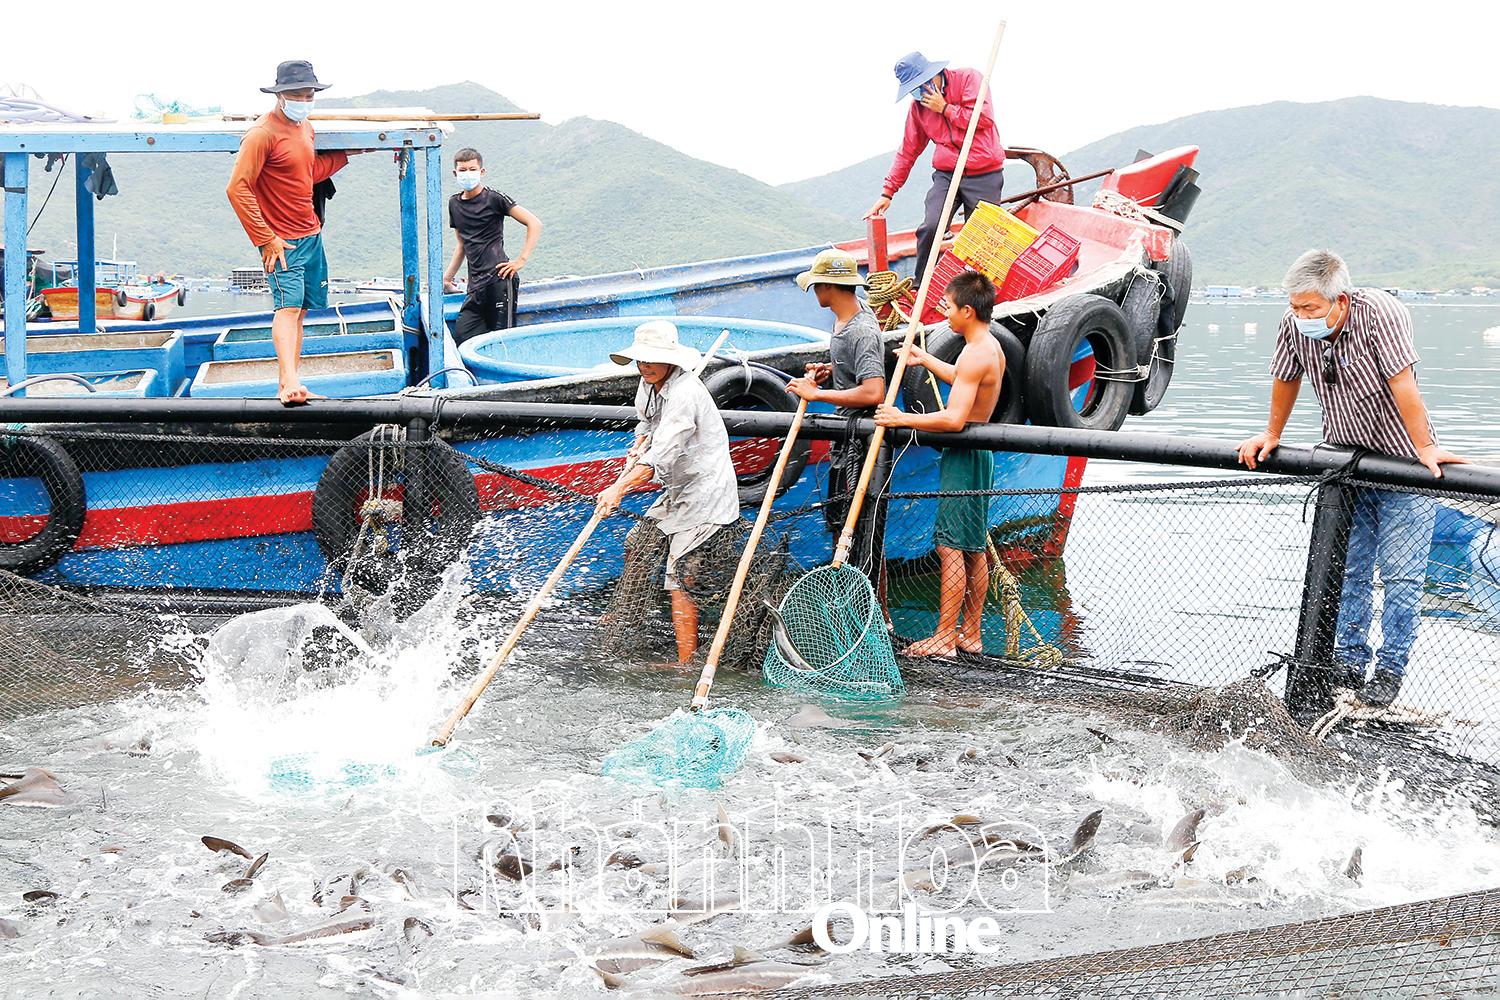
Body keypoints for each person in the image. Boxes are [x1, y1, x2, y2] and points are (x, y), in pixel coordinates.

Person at [1237, 250, 1469, 707]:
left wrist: (1425, 448)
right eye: (1295, 308)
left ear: (1339, 301)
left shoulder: (1381, 313)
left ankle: (1390, 671)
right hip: (1346, 460)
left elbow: (1404, 383)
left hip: (1404, 463)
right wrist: (1271, 433)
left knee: (1402, 576)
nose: (1301, 316)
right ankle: (1347, 662)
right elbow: (1287, 378)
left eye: (1311, 309)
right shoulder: (1294, 324)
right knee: (1350, 571)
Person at [596, 321, 742, 665]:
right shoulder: (647, 385)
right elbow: (646, 425)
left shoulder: (685, 394)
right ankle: (624, 613)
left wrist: (618, 488)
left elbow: (661, 456)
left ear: (670, 360)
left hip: (706, 494)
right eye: (640, 360)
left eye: (651, 359)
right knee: (637, 543)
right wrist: (637, 444)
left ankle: (684, 661)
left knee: (680, 576)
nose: (644, 366)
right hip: (677, 491)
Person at [874, 270, 1003, 657]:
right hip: (981, 454)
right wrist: (924, 358)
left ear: (967, 310)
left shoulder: (976, 352)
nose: (943, 313)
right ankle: (971, 633)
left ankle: (945, 637)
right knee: (974, 548)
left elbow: (953, 419)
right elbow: (964, 379)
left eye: (948, 307)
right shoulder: (987, 346)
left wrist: (901, 418)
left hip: (963, 455)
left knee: (951, 548)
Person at [226, 60, 358, 405]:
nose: (304, 99)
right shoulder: (261, 134)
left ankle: (294, 380)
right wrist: (265, 239)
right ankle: (286, 384)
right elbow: (237, 188)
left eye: (309, 93)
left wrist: (349, 153)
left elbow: (306, 172)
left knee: (300, 311)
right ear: (280, 95)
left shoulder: (305, 128)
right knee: (286, 309)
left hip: (311, 232)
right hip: (282, 240)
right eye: (297, 94)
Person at [865, 51, 1005, 280]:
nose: (920, 93)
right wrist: (888, 192)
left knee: (983, 236)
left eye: (922, 85)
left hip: (984, 172)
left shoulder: (970, 79)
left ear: (935, 75)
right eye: (914, 89)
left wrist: (946, 108)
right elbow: (908, 151)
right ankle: (920, 285)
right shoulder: (918, 109)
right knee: (931, 226)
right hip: (947, 175)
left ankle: (983, 289)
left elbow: (984, 119)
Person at [785, 248, 887, 561]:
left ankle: (865, 603)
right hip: (844, 441)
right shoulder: (846, 320)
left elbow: (873, 392)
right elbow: (855, 374)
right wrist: (833, 372)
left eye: (817, 284)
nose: (814, 291)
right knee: (839, 524)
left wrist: (817, 395)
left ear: (828, 286)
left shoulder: (862, 331)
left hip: (863, 445)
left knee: (859, 534)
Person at [441, 148, 543, 343]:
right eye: (463, 170)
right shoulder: (454, 203)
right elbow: (462, 243)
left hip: (500, 280)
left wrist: (520, 261)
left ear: (482, 172)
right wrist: (447, 278)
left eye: (472, 169)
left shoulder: (495, 198)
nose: (467, 174)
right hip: (475, 285)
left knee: (501, 341)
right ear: (455, 173)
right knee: (463, 337)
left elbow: (534, 223)